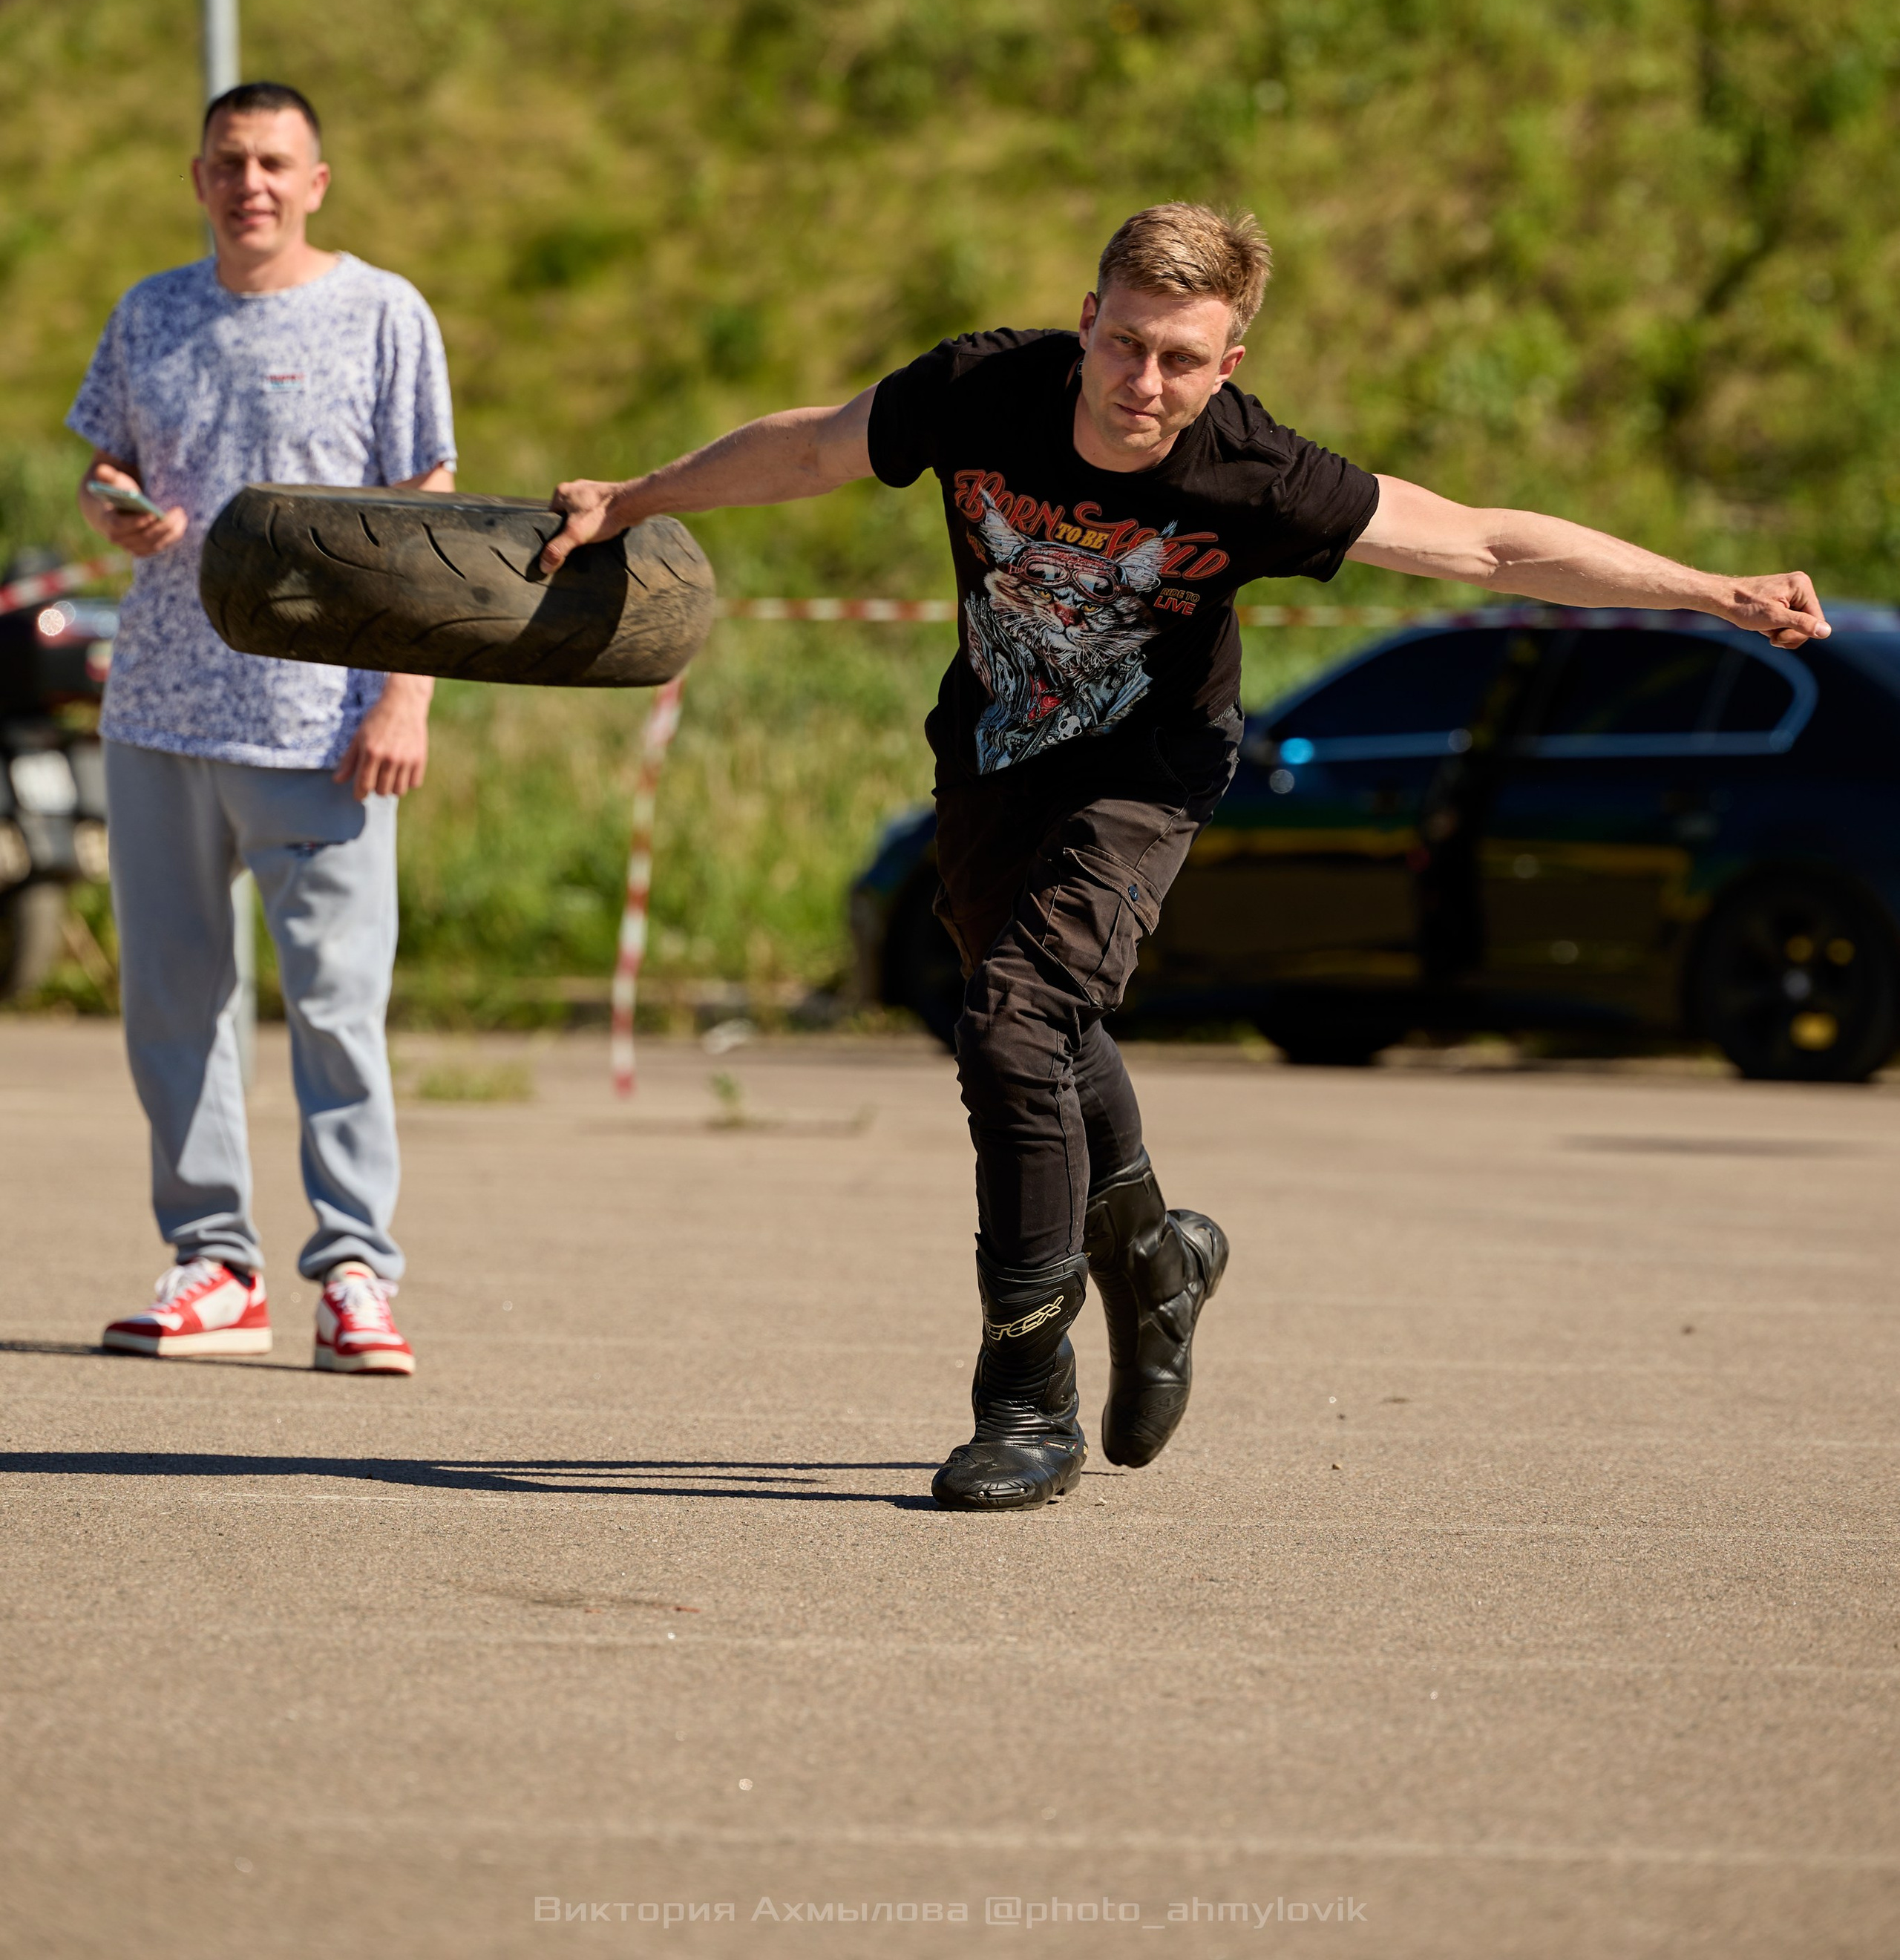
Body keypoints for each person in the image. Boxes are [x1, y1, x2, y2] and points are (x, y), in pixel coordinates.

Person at [540, 203, 1828, 1510]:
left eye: (1181, 362)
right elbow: (814, 446)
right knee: (1041, 1029)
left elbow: (1490, 540)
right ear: (1089, 319)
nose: (1142, 386)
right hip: (993, 751)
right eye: (1127, 345)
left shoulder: (1255, 474)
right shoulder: (982, 387)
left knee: (1013, 1027)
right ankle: (1156, 1260)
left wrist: (1713, 591)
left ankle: (1023, 1404)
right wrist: (631, 499)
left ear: (1228, 369)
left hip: (1146, 774)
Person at [69, 81, 456, 1376]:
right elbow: (102, 464)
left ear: (318, 180)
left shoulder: (383, 313)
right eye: (230, 162)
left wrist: (406, 692)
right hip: (164, 710)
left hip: (325, 723)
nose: (253, 184)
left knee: (338, 1011)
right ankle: (214, 1267)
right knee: (175, 1008)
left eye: (276, 163)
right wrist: (114, 505)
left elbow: (428, 521)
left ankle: (356, 1271)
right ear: (199, 179)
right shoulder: (152, 312)